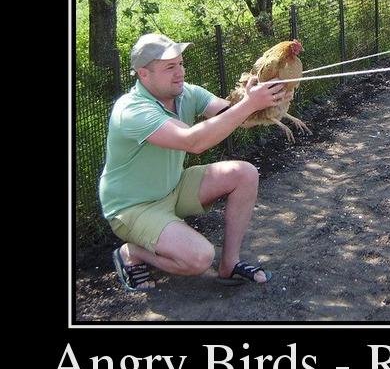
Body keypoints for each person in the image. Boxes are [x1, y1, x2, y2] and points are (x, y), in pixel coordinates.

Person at [99, 33, 289, 292]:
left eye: (180, 63)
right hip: (133, 207)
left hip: (173, 187)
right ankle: (132, 252)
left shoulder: (187, 93)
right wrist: (249, 104)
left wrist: (261, 99)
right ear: (144, 74)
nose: (180, 72)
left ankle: (229, 264)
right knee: (199, 259)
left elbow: (236, 116)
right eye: (170, 67)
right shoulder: (131, 110)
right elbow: (193, 142)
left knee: (245, 173)